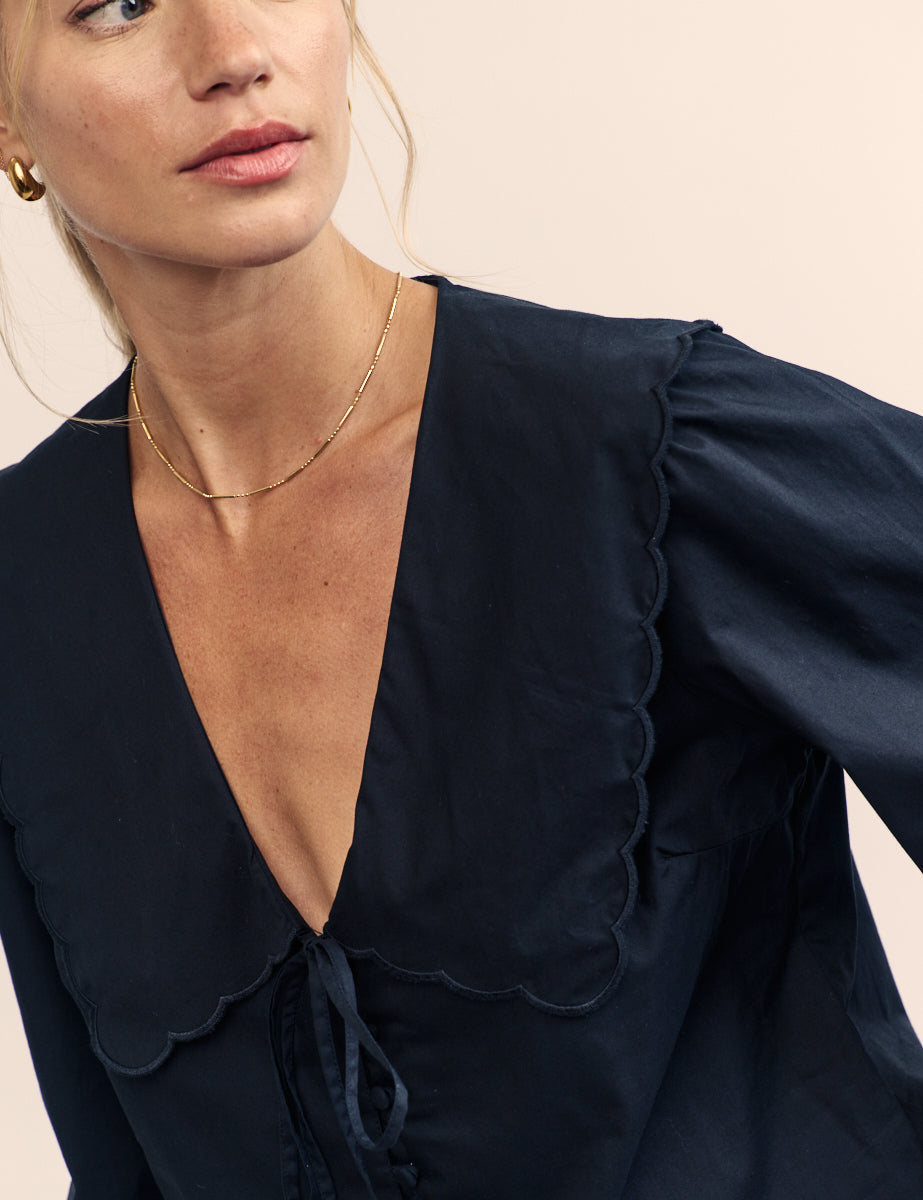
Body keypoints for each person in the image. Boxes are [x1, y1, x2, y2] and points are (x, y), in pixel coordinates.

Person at [1, 0, 921, 1197]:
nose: (234, 54)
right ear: (9, 116)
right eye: (118, 3)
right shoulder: (28, 600)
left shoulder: (646, 457)